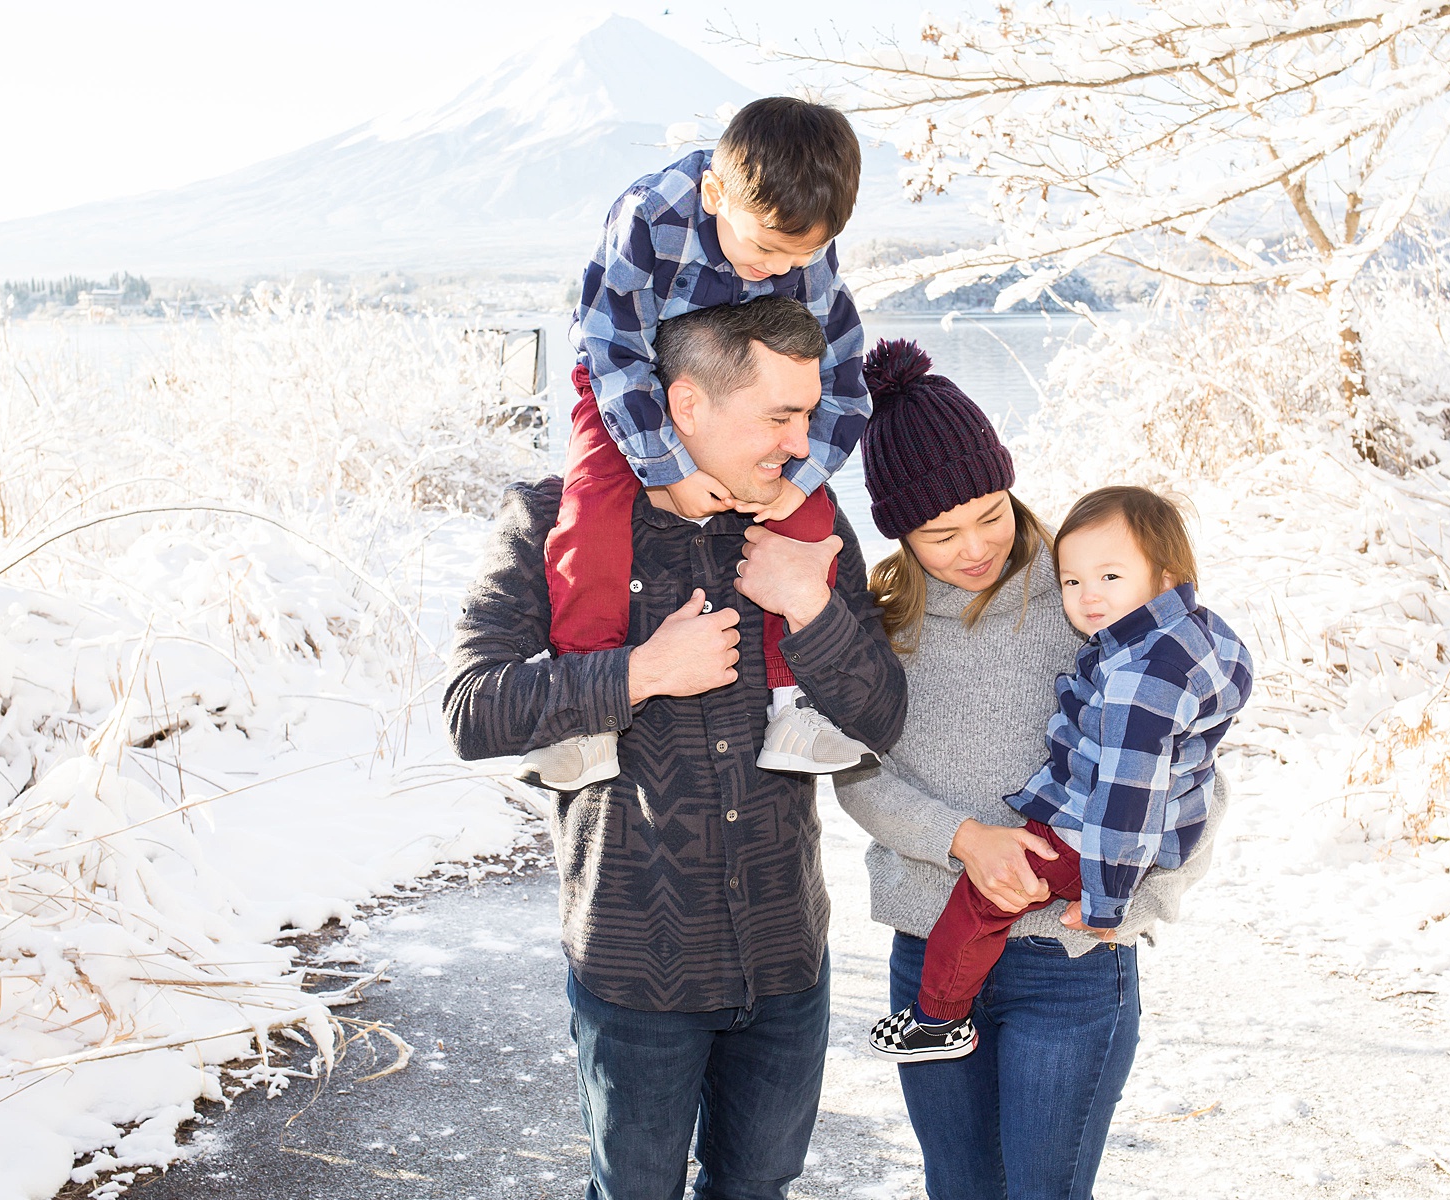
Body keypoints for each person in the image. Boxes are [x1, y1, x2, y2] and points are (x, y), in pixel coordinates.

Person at [444, 299, 907, 1200]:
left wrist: (808, 610)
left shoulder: (805, 525)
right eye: (780, 416)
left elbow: (883, 717)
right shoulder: (552, 521)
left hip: (784, 956)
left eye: (809, 413)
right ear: (687, 405)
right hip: (632, 964)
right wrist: (640, 673)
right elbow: (472, 710)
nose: (802, 439)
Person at [834, 339, 1233, 1200]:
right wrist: (963, 840)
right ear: (900, 529)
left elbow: (1189, 764)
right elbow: (855, 774)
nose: (975, 547)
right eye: (940, 533)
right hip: (931, 945)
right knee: (960, 1186)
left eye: (990, 513)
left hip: (1070, 960)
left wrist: (1140, 899)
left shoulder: (1086, 595)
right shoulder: (883, 619)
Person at [522, 95, 875, 791]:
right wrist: (665, 467)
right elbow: (610, 346)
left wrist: (796, 484)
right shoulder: (652, 215)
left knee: (806, 523)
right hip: (632, 384)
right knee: (592, 510)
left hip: (749, 400)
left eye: (799, 256)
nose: (777, 271)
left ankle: (792, 702)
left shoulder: (809, 248)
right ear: (716, 193)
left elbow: (842, 380)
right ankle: (586, 710)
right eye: (766, 248)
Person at [870, 484, 1253, 1062]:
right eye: (1072, 582)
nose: (1087, 597)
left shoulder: (1138, 678)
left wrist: (1109, 901)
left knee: (980, 906)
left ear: (1166, 575)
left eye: (1109, 578)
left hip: (1087, 844)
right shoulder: (1191, 635)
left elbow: (1130, 795)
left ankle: (939, 1017)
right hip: (1101, 836)